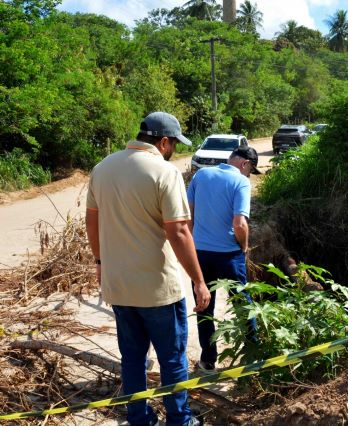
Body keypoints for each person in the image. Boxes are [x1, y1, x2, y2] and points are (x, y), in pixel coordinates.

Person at [86, 111, 211, 426]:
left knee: (132, 359)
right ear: (164, 141)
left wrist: (100, 261)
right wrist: (198, 280)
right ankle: (179, 419)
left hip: (119, 285)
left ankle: (139, 418)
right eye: (174, 145)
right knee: (172, 359)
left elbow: (92, 221)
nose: (174, 151)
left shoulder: (102, 168)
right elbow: (179, 231)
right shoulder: (164, 173)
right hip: (157, 288)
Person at [187, 145, 260, 371]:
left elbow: (188, 213)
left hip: (200, 255)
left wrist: (194, 242)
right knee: (243, 306)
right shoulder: (241, 181)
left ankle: (208, 360)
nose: (249, 175)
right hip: (229, 256)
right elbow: (239, 223)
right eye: (251, 170)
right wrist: (244, 247)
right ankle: (253, 357)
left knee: (204, 306)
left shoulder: (201, 174)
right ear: (244, 164)